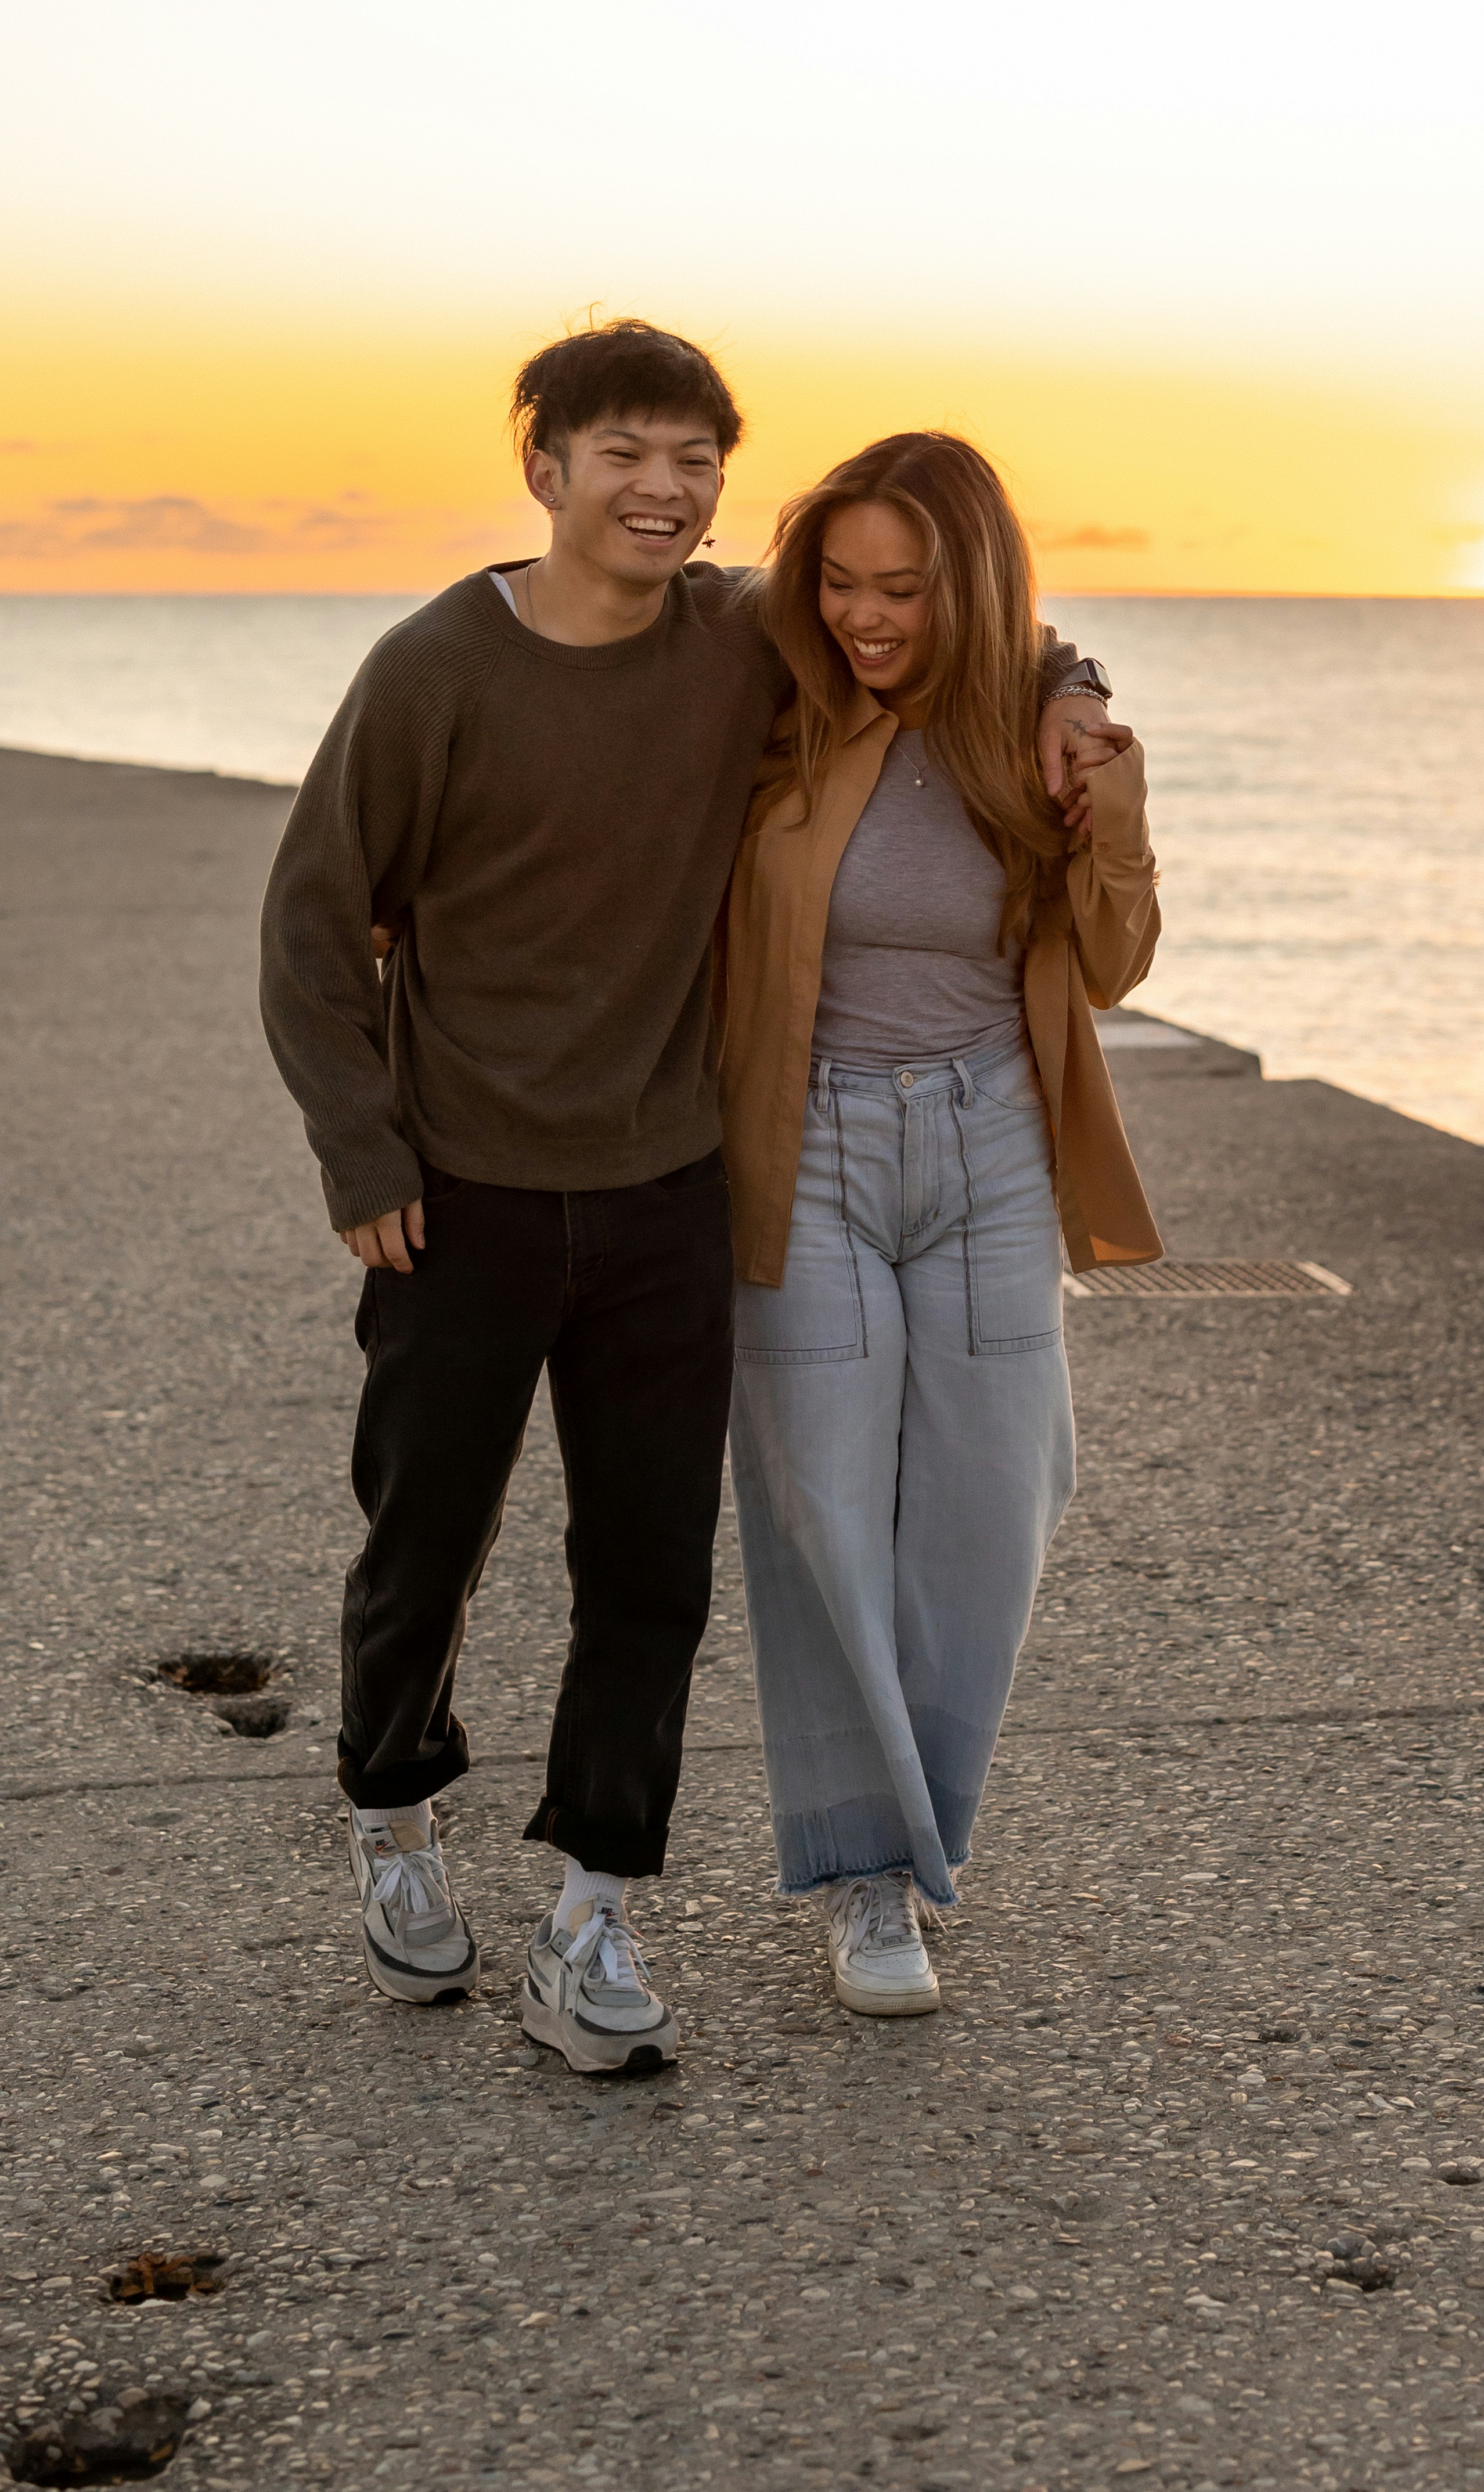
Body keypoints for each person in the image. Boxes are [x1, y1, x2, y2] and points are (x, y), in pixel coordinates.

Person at [257, 322, 1109, 2073]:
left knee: (650, 1573)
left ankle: (596, 1904)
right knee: (428, 1534)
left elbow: (960, 629)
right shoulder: (435, 667)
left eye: (694, 460)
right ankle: (393, 1805)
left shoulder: (745, 640)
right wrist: (365, 1153)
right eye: (624, 454)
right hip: (464, 1192)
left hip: (668, 1184)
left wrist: (1081, 691)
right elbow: (311, 920)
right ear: (545, 468)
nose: (662, 488)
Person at [719, 431, 1162, 2015]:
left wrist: (1105, 786)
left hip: (989, 1142)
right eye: (838, 579)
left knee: (998, 1495)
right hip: (813, 1135)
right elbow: (630, 608)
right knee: (822, 1508)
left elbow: (1114, 965)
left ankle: (917, 1828)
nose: (862, 614)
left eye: (901, 586)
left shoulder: (1039, 737)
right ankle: (868, 1883)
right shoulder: (774, 684)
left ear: (969, 586)